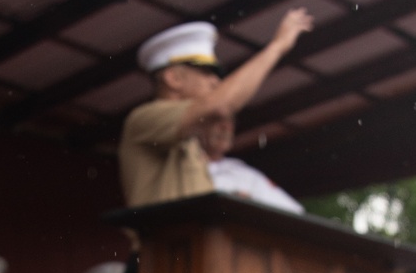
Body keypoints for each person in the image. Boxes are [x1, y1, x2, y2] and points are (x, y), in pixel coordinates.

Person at [118, 12, 313, 208]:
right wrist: (277, 47)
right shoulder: (143, 118)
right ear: (173, 78)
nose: (215, 81)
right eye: (205, 72)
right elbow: (221, 107)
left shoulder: (191, 142)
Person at [198, 115, 304, 214]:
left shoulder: (244, 173)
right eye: (216, 120)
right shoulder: (184, 169)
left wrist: (250, 205)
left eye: (230, 121)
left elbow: (295, 212)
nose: (226, 127)